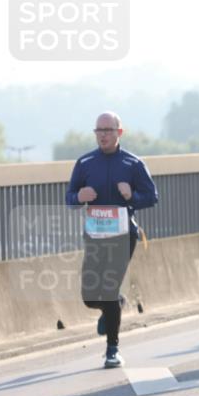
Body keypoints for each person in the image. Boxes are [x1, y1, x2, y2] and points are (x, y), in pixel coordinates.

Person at [66, 112, 158, 368]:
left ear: (120, 132)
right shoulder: (85, 162)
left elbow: (152, 196)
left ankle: (112, 350)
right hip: (95, 237)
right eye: (99, 130)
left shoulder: (133, 163)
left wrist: (132, 196)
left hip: (122, 236)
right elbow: (70, 197)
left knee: (107, 288)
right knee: (89, 296)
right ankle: (114, 304)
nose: (103, 134)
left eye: (108, 129)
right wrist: (79, 196)